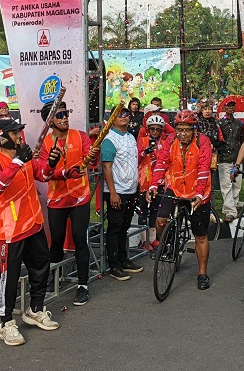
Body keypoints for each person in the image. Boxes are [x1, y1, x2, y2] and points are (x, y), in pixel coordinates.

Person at [0, 117, 58, 346]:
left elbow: (43, 175)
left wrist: (52, 163)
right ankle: (5, 323)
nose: (19, 136)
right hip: (10, 229)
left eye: (19, 132)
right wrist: (17, 161)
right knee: (9, 276)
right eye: (14, 133)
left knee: (40, 266)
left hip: (33, 223)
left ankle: (36, 309)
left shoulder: (25, 156)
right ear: (0, 138)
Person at [36, 102, 97, 299]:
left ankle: (82, 285)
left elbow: (90, 161)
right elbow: (45, 173)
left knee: (80, 239)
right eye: (59, 115)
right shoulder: (45, 143)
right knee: (56, 242)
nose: (64, 118)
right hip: (57, 199)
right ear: (49, 121)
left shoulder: (80, 136)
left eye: (66, 113)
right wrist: (64, 173)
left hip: (80, 197)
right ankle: (53, 279)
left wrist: (92, 156)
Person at [148, 110, 214, 290]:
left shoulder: (203, 142)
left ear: (194, 129)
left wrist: (199, 194)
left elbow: (203, 169)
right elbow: (161, 163)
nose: (182, 134)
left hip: (197, 191)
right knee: (161, 221)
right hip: (175, 187)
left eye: (187, 130)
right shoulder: (171, 141)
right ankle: (168, 246)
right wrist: (154, 185)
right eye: (179, 129)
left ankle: (202, 273)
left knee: (200, 235)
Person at [99, 106, 138, 284]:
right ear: (113, 119)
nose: (124, 117)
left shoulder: (130, 137)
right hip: (117, 192)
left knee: (125, 226)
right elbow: (106, 168)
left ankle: (124, 259)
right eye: (119, 115)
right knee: (114, 228)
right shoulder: (109, 140)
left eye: (126, 114)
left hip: (131, 190)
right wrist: (113, 193)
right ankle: (113, 264)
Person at [137, 113, 173, 250]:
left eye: (158, 129)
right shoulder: (143, 140)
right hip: (145, 181)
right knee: (143, 211)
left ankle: (152, 239)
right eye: (152, 129)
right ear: (148, 129)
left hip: (160, 182)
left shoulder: (164, 143)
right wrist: (144, 152)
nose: (155, 132)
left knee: (155, 211)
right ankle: (144, 240)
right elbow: (136, 158)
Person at [217, 100, 244, 224]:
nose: (231, 108)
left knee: (237, 184)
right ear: (224, 107)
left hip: (237, 157)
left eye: (233, 106)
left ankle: (231, 206)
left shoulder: (239, 123)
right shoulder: (219, 123)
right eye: (229, 106)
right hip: (224, 158)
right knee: (226, 185)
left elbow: (241, 139)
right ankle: (230, 211)